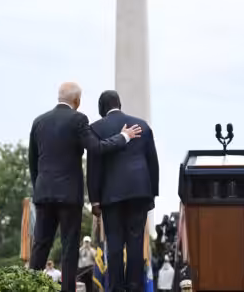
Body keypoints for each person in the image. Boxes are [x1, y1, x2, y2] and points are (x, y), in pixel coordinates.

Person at [28, 82, 141, 292]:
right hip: (70, 196)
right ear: (77, 101)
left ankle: (30, 288)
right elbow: (96, 148)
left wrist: (39, 189)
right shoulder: (78, 120)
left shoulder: (39, 122)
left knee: (40, 247)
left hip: (44, 194)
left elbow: (32, 162)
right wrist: (124, 137)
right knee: (69, 249)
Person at [88, 90, 159, 292]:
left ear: (101, 107)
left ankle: (117, 288)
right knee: (136, 243)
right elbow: (152, 162)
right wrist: (152, 194)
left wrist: (94, 200)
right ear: (119, 103)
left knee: (115, 243)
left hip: (111, 196)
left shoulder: (96, 129)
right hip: (139, 193)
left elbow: (93, 167)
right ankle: (135, 287)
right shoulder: (142, 126)